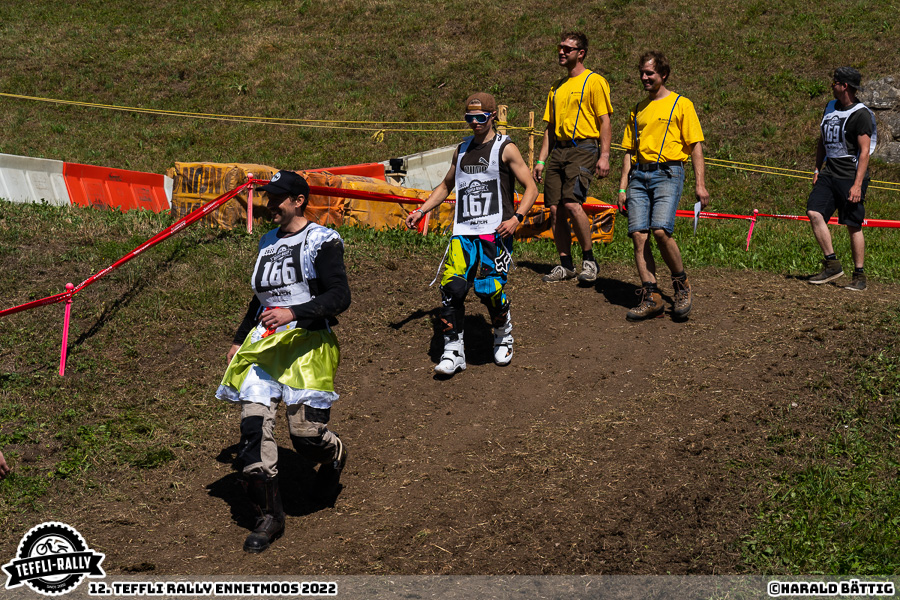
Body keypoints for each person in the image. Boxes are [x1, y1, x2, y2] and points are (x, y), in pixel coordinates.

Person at [216, 170, 351, 553]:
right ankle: (268, 517)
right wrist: (239, 338)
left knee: (305, 436)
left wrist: (294, 313)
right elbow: (261, 298)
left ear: (298, 201)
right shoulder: (267, 241)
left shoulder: (322, 240)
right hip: (264, 346)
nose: (269, 204)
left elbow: (340, 295)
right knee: (253, 428)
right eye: (268, 197)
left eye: (277, 198)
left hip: (307, 345)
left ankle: (334, 454)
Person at [406, 92, 538, 375]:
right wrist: (421, 210)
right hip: (464, 232)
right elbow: (446, 185)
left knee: (489, 289)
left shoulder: (506, 148)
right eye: (469, 117)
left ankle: (503, 332)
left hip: (495, 232)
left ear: (492, 116)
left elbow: (531, 188)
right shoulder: (462, 149)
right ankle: (453, 350)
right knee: (452, 288)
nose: (475, 122)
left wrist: (516, 218)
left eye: (480, 117)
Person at [617, 50, 710, 321]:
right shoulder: (637, 109)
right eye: (642, 73)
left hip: (668, 173)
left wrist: (700, 184)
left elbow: (695, 146)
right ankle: (652, 296)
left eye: (650, 73)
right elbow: (629, 151)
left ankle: (681, 285)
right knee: (638, 235)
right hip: (638, 176)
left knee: (660, 231)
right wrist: (622, 188)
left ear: (664, 74)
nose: (644, 78)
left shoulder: (681, 104)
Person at [533, 31, 613, 284]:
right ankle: (566, 264)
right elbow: (550, 127)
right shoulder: (556, 87)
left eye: (567, 49)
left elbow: (604, 121)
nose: (561, 52)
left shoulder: (594, 81)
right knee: (555, 208)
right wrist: (541, 160)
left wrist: (605, 155)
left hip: (584, 147)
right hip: (559, 150)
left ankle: (589, 260)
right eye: (560, 47)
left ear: (581, 53)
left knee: (571, 203)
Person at [806, 67, 877, 291]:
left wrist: (857, 185)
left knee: (852, 224)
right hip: (829, 172)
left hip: (850, 175)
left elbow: (864, 152)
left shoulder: (861, 114)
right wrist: (817, 168)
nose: (832, 85)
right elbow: (822, 141)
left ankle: (859, 275)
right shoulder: (830, 107)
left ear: (844, 86)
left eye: (835, 82)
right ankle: (832, 264)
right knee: (814, 212)